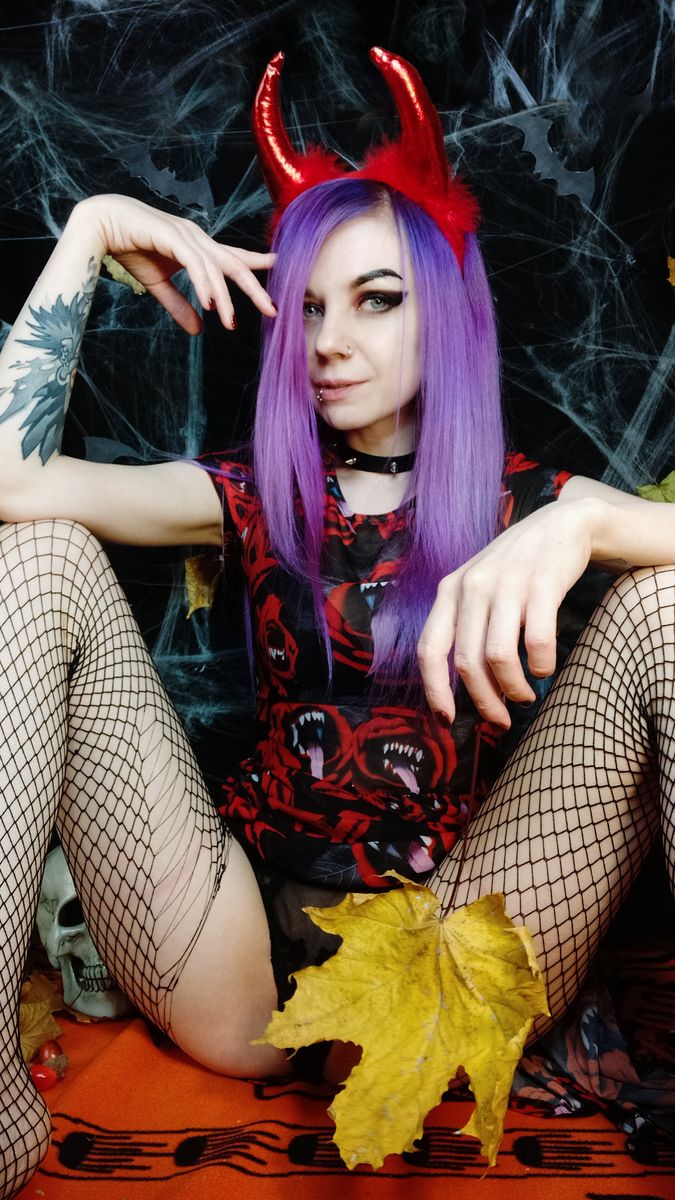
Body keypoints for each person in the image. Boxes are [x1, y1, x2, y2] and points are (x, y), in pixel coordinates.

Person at [0, 46, 673, 1198]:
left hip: (452, 940)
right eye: (308, 305)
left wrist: (592, 521)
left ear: (445, 311)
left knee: (662, 599)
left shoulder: (529, 505)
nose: (327, 339)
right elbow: (13, 484)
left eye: (376, 299)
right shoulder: (251, 493)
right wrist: (92, 229)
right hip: (238, 953)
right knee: (40, 551)